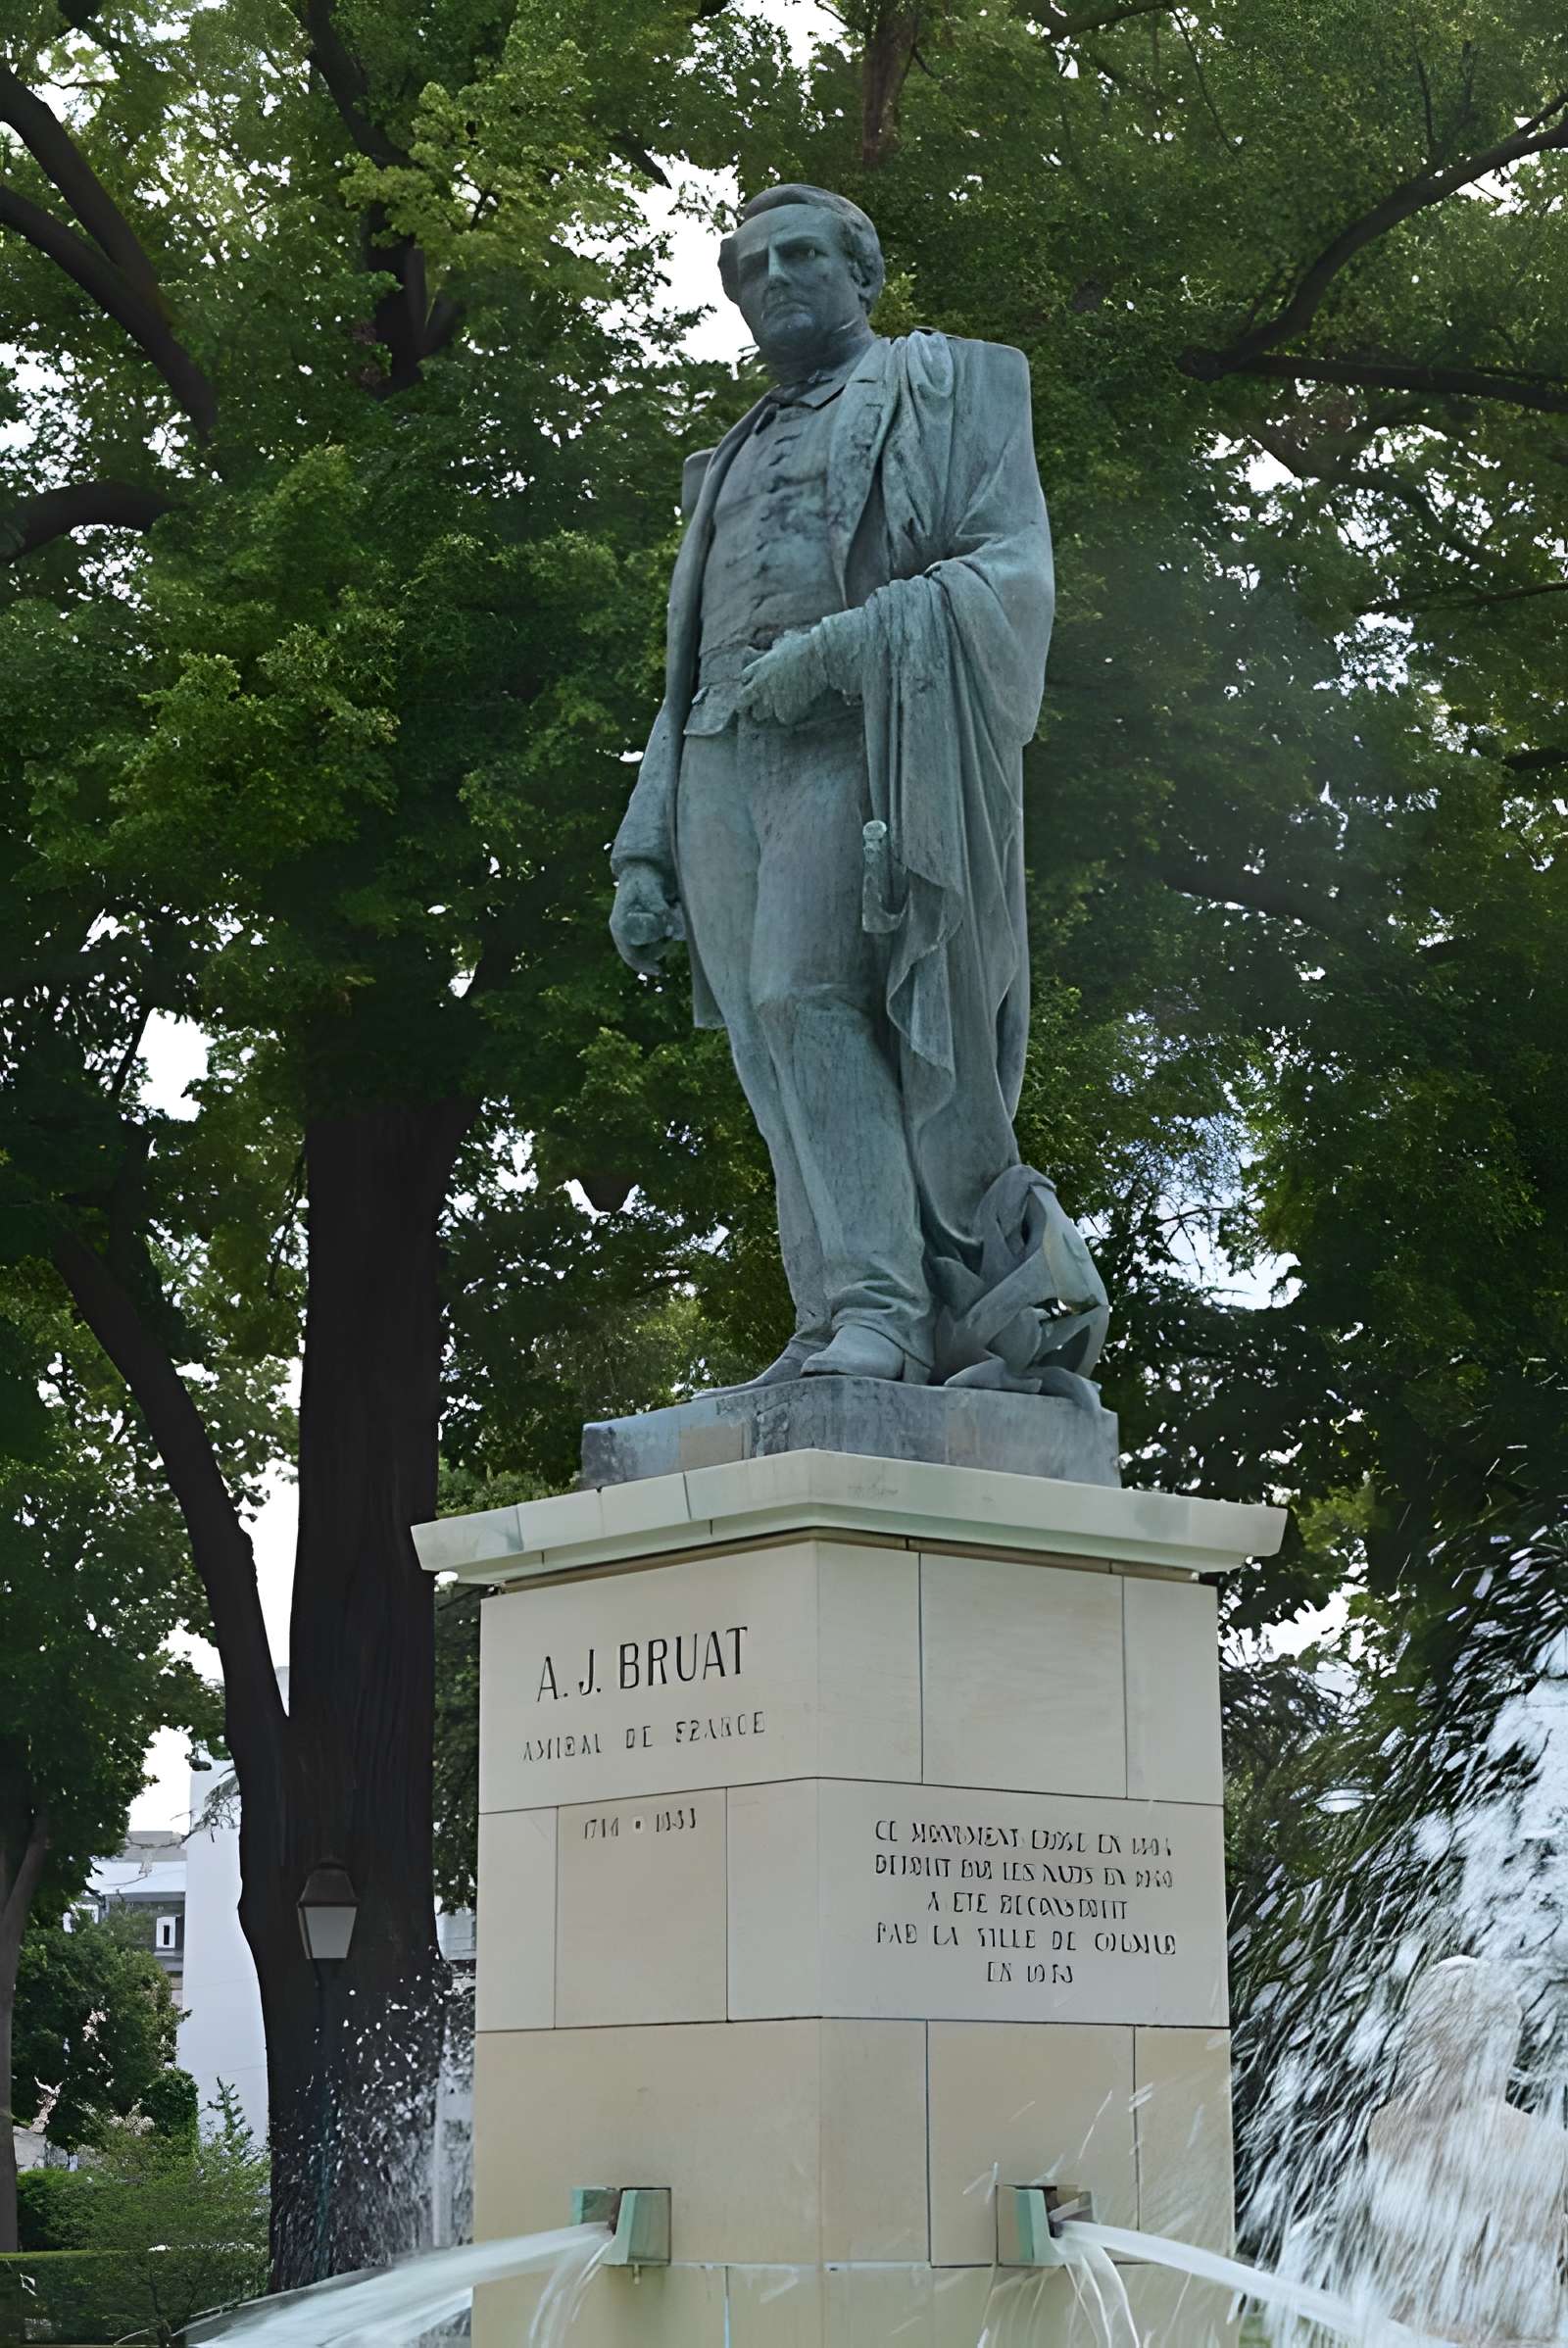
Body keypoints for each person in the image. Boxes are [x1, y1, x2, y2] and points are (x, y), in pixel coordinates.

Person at [611, 184, 1106, 1390]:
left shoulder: (953, 387)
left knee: (804, 999)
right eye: (748, 267)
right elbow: (679, 674)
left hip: (861, 742)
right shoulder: (721, 460)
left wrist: (837, 651)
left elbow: (1010, 575)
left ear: (862, 272)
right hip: (720, 764)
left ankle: (886, 1311)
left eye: (800, 255)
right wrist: (641, 844)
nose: (773, 277)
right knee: (766, 1053)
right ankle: (830, 1313)